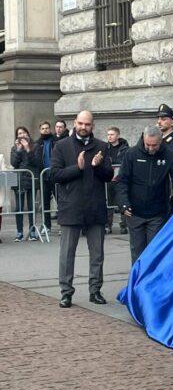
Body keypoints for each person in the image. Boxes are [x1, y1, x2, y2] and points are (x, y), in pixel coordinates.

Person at [51, 110, 114, 307]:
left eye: (87, 124)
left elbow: (108, 176)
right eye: (80, 123)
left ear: (92, 126)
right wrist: (77, 168)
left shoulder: (102, 147)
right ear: (74, 123)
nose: (83, 127)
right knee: (67, 253)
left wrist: (97, 166)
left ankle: (95, 290)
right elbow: (55, 174)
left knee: (97, 253)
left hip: (95, 207)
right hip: (71, 207)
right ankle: (66, 292)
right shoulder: (62, 146)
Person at [116, 126, 173, 263]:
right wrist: (123, 204)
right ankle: (138, 282)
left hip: (157, 214)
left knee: (155, 252)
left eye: (154, 145)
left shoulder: (169, 156)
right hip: (134, 212)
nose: (150, 148)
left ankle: (154, 282)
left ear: (160, 141)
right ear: (143, 139)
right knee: (137, 252)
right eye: (147, 144)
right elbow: (122, 181)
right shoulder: (131, 154)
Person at [10, 126, 40, 241]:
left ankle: (32, 231)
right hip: (18, 180)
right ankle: (19, 232)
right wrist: (18, 150)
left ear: (28, 134)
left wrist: (28, 149)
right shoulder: (14, 148)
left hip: (31, 179)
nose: (21, 135)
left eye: (23, 133)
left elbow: (36, 162)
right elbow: (14, 163)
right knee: (19, 207)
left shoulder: (35, 146)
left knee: (32, 206)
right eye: (19, 133)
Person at [34, 122, 58, 233]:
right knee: (45, 204)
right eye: (43, 128)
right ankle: (47, 226)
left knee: (61, 201)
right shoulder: (37, 144)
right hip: (43, 177)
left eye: (47, 128)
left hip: (56, 176)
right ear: (40, 130)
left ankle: (63, 225)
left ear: (50, 129)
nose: (45, 130)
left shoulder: (56, 141)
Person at [105, 127, 129, 235]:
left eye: (112, 134)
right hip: (109, 178)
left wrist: (112, 161)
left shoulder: (124, 147)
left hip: (120, 178)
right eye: (108, 134)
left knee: (122, 201)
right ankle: (107, 225)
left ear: (118, 136)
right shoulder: (106, 147)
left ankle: (123, 225)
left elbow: (123, 160)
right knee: (108, 202)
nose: (109, 137)